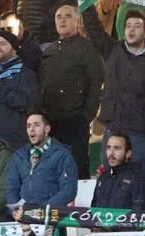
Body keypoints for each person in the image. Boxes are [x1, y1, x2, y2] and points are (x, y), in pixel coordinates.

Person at [81, 6, 145, 175]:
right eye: (128, 25)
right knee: (110, 181)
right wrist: (85, 4)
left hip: (141, 132)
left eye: (137, 26)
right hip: (113, 128)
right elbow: (94, 28)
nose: (131, 29)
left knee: (139, 182)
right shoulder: (113, 50)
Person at [38, 4, 103, 177]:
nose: (62, 20)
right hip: (50, 121)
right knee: (51, 171)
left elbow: (97, 83)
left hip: (75, 121)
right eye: (59, 17)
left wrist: (85, 116)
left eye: (67, 16)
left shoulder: (87, 48)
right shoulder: (50, 50)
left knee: (75, 170)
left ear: (77, 21)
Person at [6, 111, 78, 216]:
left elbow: (68, 190)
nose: (31, 129)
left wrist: (43, 210)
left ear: (47, 129)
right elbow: (12, 187)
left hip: (51, 219)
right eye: (28, 126)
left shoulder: (62, 155)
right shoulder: (19, 155)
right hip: (24, 217)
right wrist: (15, 210)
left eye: (37, 125)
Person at [91, 134, 145, 212]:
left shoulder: (138, 179)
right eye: (108, 148)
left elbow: (141, 215)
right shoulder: (103, 178)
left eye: (117, 148)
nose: (111, 153)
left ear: (128, 153)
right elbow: (93, 211)